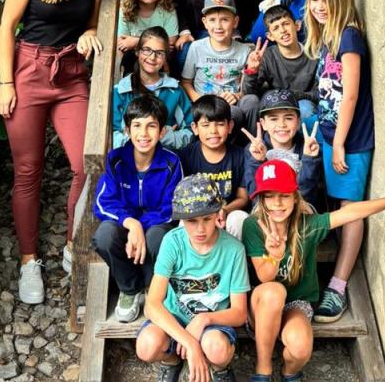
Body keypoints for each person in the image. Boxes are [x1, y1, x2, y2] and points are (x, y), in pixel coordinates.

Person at [0, 0, 105, 303]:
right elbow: (7, 27)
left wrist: (90, 33)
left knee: (85, 165)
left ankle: (71, 245)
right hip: (28, 70)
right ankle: (29, 262)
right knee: (28, 170)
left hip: (71, 74)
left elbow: (92, 21)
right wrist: (6, 83)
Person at [242, 159, 385, 382]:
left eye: (284, 195)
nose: (277, 203)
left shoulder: (307, 225)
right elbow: (264, 276)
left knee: (299, 349)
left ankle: (289, 374)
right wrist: (275, 256)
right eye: (269, 196)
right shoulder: (253, 225)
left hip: (296, 303)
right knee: (273, 292)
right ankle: (263, 370)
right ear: (261, 199)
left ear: (295, 195)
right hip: (263, 307)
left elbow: (350, 213)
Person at [304, 0, 375, 322]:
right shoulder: (329, 38)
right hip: (331, 133)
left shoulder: (349, 38)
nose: (318, 6)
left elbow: (350, 96)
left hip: (349, 139)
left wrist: (341, 143)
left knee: (351, 206)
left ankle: (338, 285)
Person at [135, 174, 250, 382]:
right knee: (146, 346)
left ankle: (219, 368)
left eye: (207, 219)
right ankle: (172, 360)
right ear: (181, 220)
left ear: (217, 214)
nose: (200, 229)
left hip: (213, 322)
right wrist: (189, 342)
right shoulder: (172, 242)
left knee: (216, 349)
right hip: (175, 317)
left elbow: (240, 312)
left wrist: (203, 319)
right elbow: (152, 304)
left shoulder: (234, 250)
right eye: (191, 221)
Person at [93, 94, 182, 323]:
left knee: (158, 239)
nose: (144, 134)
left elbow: (171, 207)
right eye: (137, 126)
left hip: (155, 226)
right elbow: (104, 202)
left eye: (151, 126)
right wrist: (131, 223)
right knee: (104, 235)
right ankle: (129, 289)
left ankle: (152, 286)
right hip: (125, 222)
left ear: (162, 132)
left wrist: (141, 228)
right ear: (127, 130)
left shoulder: (172, 163)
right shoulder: (116, 160)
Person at [180, 0, 251, 137]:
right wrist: (198, 98)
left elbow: (246, 87)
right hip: (205, 104)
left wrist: (237, 95)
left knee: (246, 105)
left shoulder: (245, 51)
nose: (218, 26)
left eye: (225, 20)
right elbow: (186, 82)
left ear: (235, 22)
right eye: (212, 20)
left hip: (231, 104)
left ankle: (251, 145)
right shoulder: (196, 47)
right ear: (205, 22)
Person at [239, 90, 322, 213]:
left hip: (299, 210)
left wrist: (309, 159)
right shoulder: (253, 149)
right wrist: (257, 161)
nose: (281, 124)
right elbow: (255, 196)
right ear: (263, 124)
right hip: (267, 212)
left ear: (298, 122)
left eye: (288, 118)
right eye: (273, 119)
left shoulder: (308, 148)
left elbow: (308, 196)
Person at [178, 95, 248, 239]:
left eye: (220, 124)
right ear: (195, 128)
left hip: (226, 213)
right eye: (206, 125)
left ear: (230, 126)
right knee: (183, 222)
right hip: (197, 212)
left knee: (240, 218)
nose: (213, 131)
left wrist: (225, 210)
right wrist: (206, 215)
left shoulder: (240, 155)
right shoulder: (186, 156)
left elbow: (243, 197)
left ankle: (236, 259)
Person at [112, 27, 193, 150]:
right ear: (137, 52)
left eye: (159, 53)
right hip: (129, 161)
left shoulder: (175, 91)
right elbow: (112, 134)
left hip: (166, 160)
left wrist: (167, 137)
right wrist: (145, 139)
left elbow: (191, 130)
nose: (152, 57)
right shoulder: (120, 91)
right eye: (147, 50)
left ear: (166, 58)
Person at [239, 6, 319, 128]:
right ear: (270, 36)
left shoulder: (314, 55)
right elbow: (248, 94)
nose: (283, 30)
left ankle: (307, 146)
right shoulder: (267, 56)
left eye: (286, 24)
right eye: (276, 28)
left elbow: (321, 93)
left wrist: (294, 96)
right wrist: (252, 71)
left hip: (302, 105)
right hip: (275, 105)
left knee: (305, 107)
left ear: (297, 25)